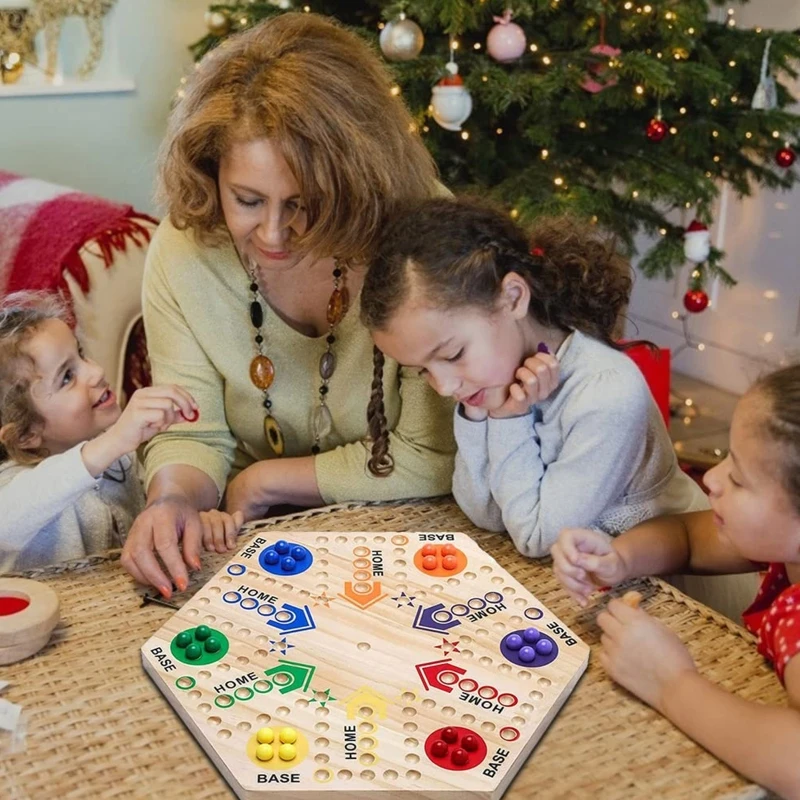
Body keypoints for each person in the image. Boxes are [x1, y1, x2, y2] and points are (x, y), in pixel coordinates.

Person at [121, 13, 455, 597]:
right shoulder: (183, 249)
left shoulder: (423, 236)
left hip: (409, 527)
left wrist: (265, 480)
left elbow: (433, 456)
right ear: (211, 174)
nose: (274, 235)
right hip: (246, 536)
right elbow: (193, 433)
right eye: (247, 200)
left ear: (358, 183)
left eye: (306, 204)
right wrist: (172, 497)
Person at [360, 198, 707, 557]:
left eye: (453, 355)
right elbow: (489, 515)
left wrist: (510, 420)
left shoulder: (606, 392)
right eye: (423, 370)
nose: (444, 386)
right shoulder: (491, 380)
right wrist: (484, 415)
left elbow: (537, 537)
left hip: (670, 589)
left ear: (513, 298)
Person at [552, 364, 800, 797]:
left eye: (739, 479)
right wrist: (620, 557)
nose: (711, 478)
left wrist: (670, 682)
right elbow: (686, 538)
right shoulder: (782, 543)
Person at [0, 292, 239, 572]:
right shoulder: (14, 487)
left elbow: (154, 523)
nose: (96, 371)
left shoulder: (120, 458)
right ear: (26, 435)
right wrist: (114, 442)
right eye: (67, 376)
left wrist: (195, 522)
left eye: (81, 355)